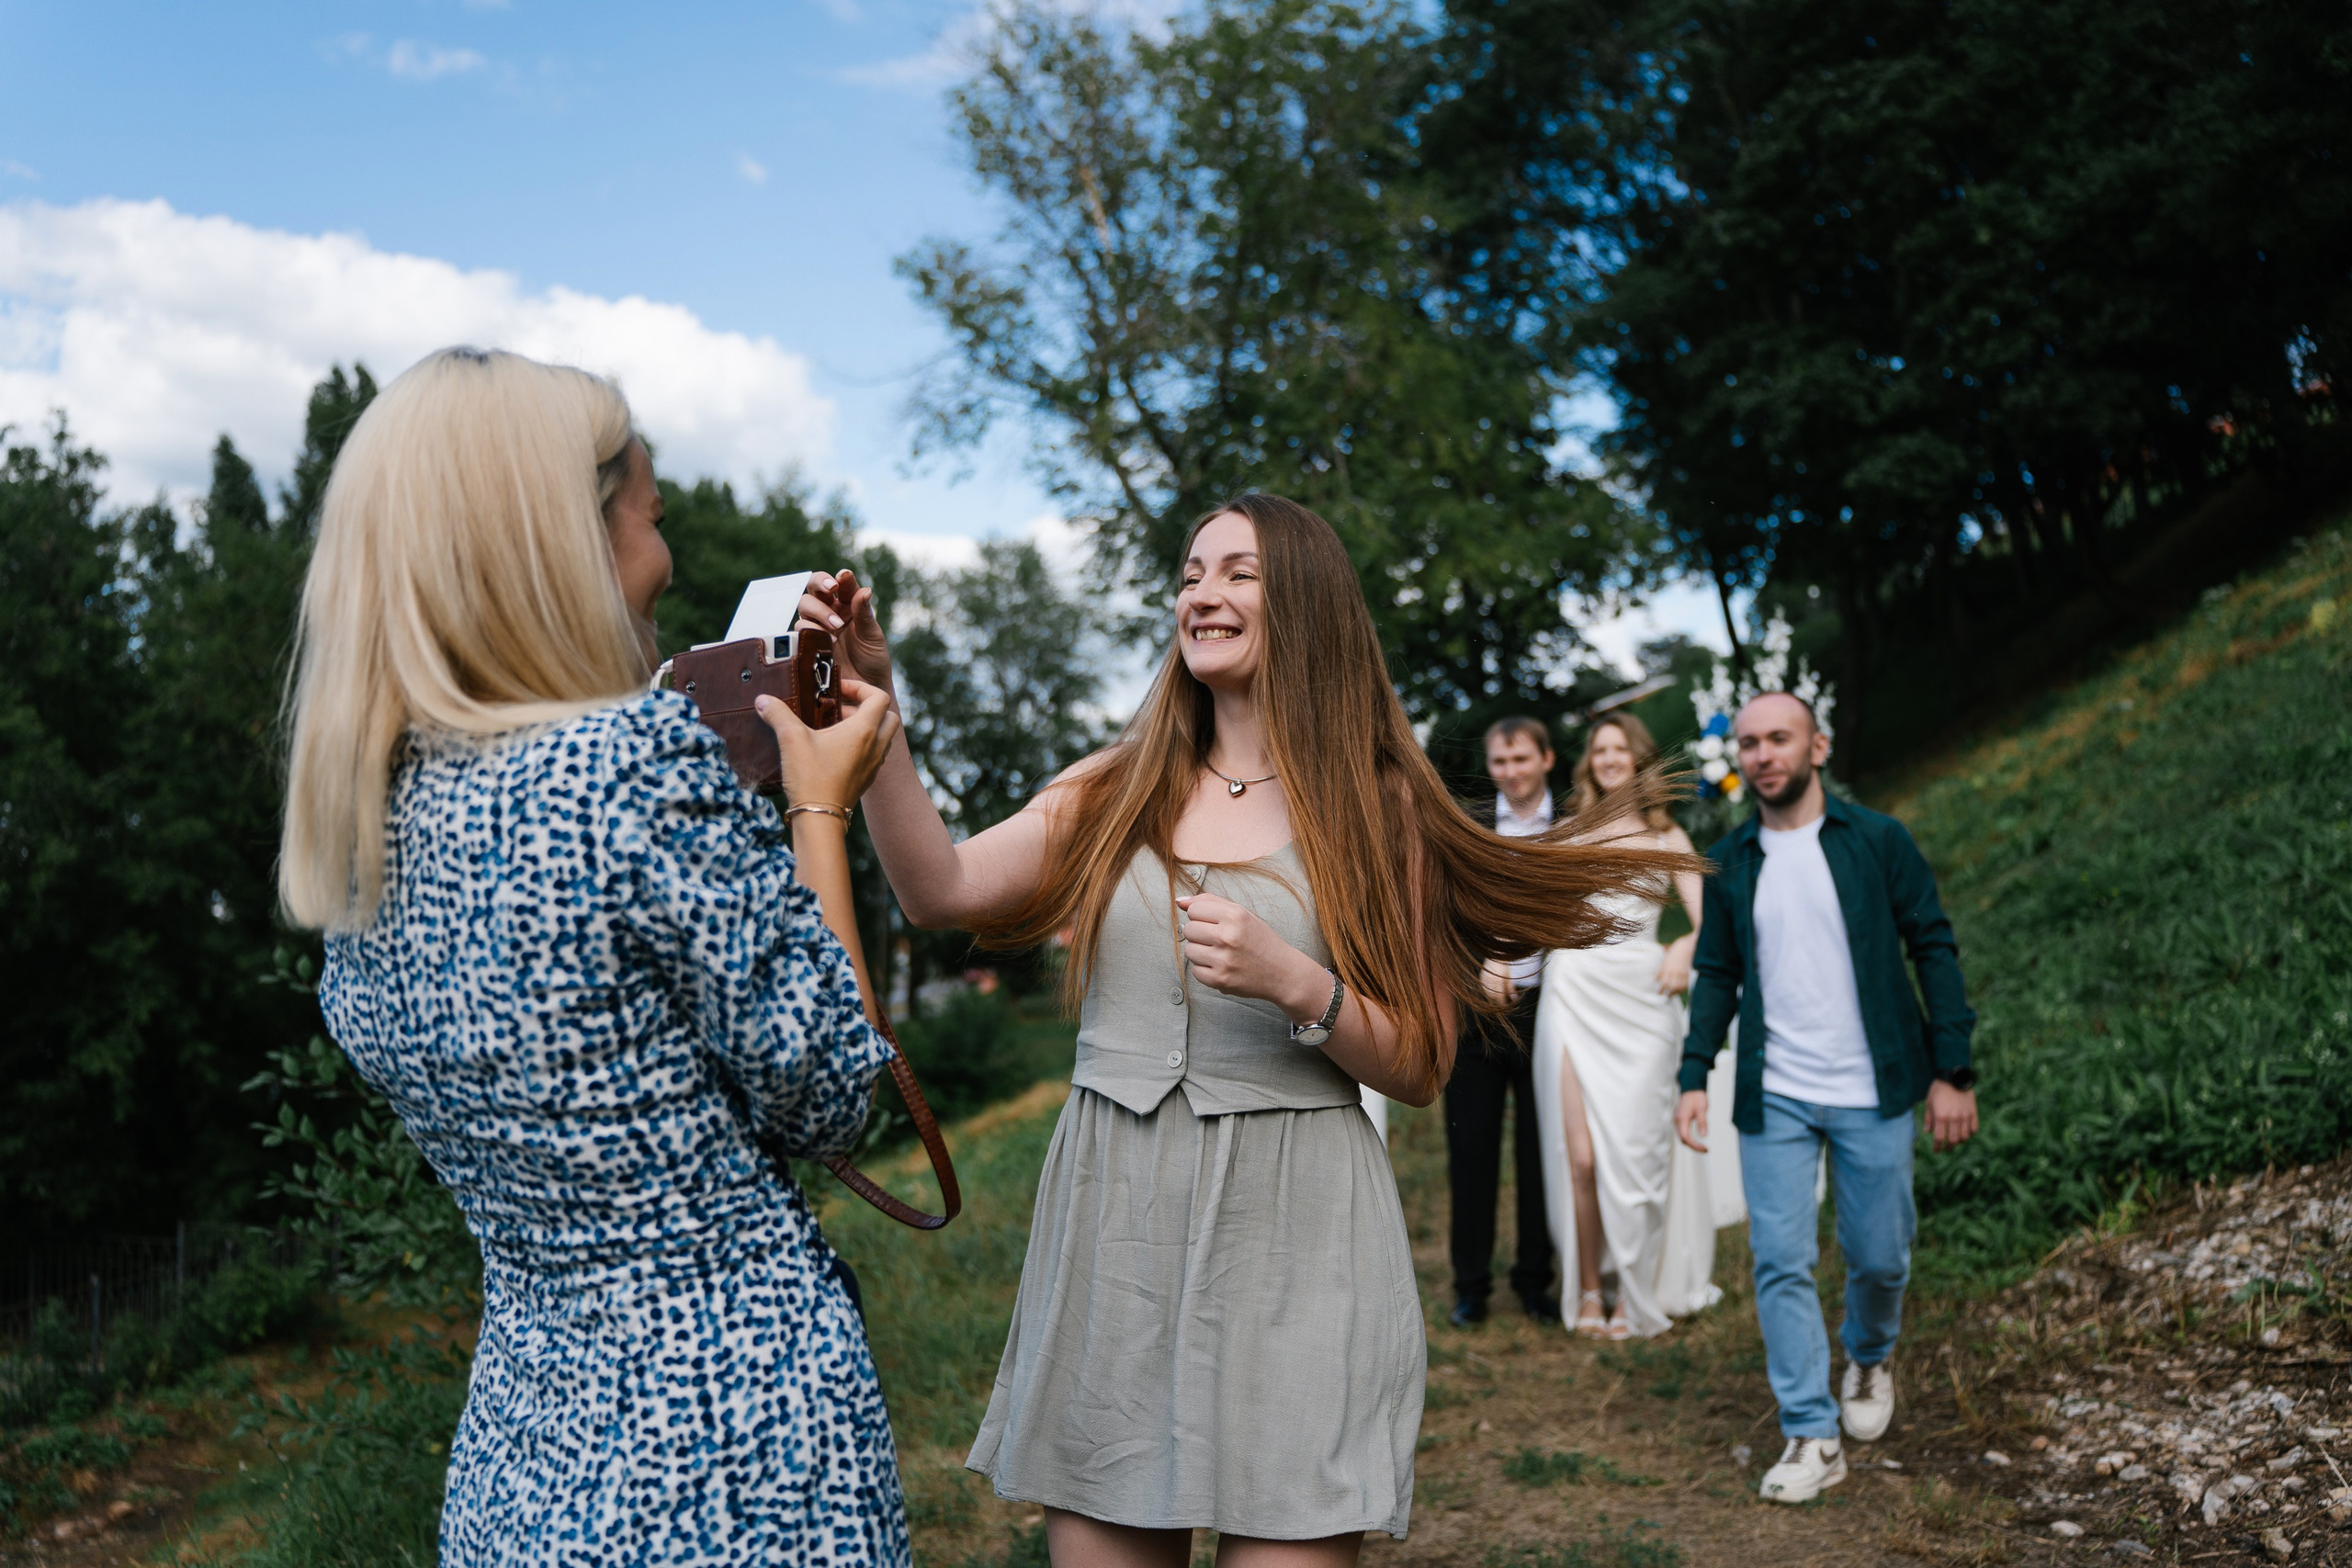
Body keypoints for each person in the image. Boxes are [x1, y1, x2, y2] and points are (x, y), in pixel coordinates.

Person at [800, 493, 1691, 1564]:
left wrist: (1295, 984)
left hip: (1298, 1238)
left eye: (1237, 573)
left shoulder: (1376, 806)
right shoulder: (1112, 786)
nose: (1202, 594)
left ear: (1305, 605)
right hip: (1116, 1228)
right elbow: (937, 890)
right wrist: (879, 713)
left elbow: (1419, 1063)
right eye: (1188, 574)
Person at [278, 348, 911, 1564]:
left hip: (522, 1452)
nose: (665, 555)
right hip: (736, 1447)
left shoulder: (363, 829)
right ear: (567, 538)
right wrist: (817, 807)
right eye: (651, 513)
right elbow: (834, 1089)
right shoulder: (632, 764)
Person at [1672, 692, 1980, 1506]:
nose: (1763, 753)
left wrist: (1953, 1069)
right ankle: (1810, 1430)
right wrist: (1695, 1072)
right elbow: (1716, 973)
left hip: (1874, 1084)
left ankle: (1870, 1353)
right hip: (1776, 1091)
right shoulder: (1731, 859)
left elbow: (1934, 945)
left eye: (1780, 738)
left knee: (1881, 1255)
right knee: (1780, 1259)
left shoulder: (1877, 840)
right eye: (1749, 743)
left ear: (1818, 746)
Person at [1531, 713, 1718, 1340]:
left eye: (1620, 748)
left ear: (1639, 759)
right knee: (1580, 1156)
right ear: (1590, 761)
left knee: (1635, 1157)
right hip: (1575, 992)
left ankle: (1633, 1295)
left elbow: (1709, 920)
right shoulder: (1566, 833)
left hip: (1642, 1003)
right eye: (1599, 749)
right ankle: (1589, 1287)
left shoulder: (1667, 838)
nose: (1609, 758)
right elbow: (1527, 912)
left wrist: (1685, 946)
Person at [1443, 716, 1561, 1327]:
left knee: (1543, 1147)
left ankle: (1536, 1279)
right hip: (1479, 1011)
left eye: (1521, 758)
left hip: (1552, 1008)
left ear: (1546, 758)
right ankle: (1471, 1285)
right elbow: (1443, 911)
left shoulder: (1573, 825)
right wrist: (1479, 962)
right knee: (1471, 1146)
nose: (1511, 771)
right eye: (1499, 761)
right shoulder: (1469, 825)